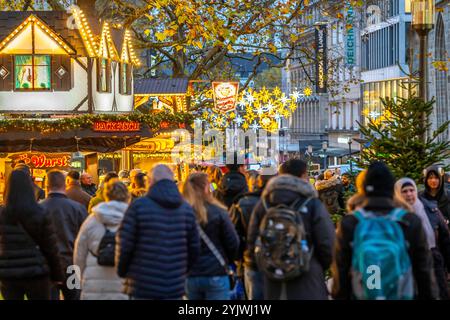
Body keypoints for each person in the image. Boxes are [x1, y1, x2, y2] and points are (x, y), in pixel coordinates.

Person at [332, 161, 437, 300]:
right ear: (391, 189)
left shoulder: (351, 223)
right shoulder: (409, 221)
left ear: (363, 189)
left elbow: (341, 272)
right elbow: (424, 271)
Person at [247, 159, 335, 300]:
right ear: (302, 175)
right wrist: (317, 266)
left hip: (272, 278)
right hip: (307, 278)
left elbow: (251, 242)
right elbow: (327, 243)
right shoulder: (312, 204)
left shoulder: (263, 204)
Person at [116, 164, 200, 300]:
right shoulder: (186, 209)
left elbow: (125, 243)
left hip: (142, 285)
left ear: (150, 181)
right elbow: (195, 247)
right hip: (175, 285)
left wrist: (122, 271)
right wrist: (182, 272)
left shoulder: (138, 206)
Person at [0, 170, 64, 300]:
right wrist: (57, 275)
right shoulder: (40, 212)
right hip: (36, 271)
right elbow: (50, 247)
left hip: (8, 272)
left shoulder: (3, 214)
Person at [182, 173, 239, 300]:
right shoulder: (218, 211)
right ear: (206, 188)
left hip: (191, 274)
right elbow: (233, 242)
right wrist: (227, 261)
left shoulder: (181, 213)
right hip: (216, 271)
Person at [74, 180, 130, 300]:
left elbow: (79, 255)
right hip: (124, 285)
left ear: (106, 195)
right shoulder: (134, 219)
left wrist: (80, 279)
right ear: (127, 196)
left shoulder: (92, 221)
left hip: (94, 287)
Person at [395, 177, 450, 300]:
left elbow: (445, 238)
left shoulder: (430, 209)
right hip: (406, 267)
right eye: (404, 191)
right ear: (398, 193)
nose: (409, 194)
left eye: (411, 190)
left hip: (433, 261)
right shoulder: (393, 216)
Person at [40, 170, 88, 300]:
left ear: (47, 186)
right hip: (72, 264)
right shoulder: (77, 208)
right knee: (74, 297)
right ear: (65, 185)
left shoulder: (39, 208)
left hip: (47, 265)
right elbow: (85, 238)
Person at [230, 173, 273, 300]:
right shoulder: (284, 201)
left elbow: (232, 234)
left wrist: (240, 259)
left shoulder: (242, 203)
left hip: (252, 260)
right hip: (281, 259)